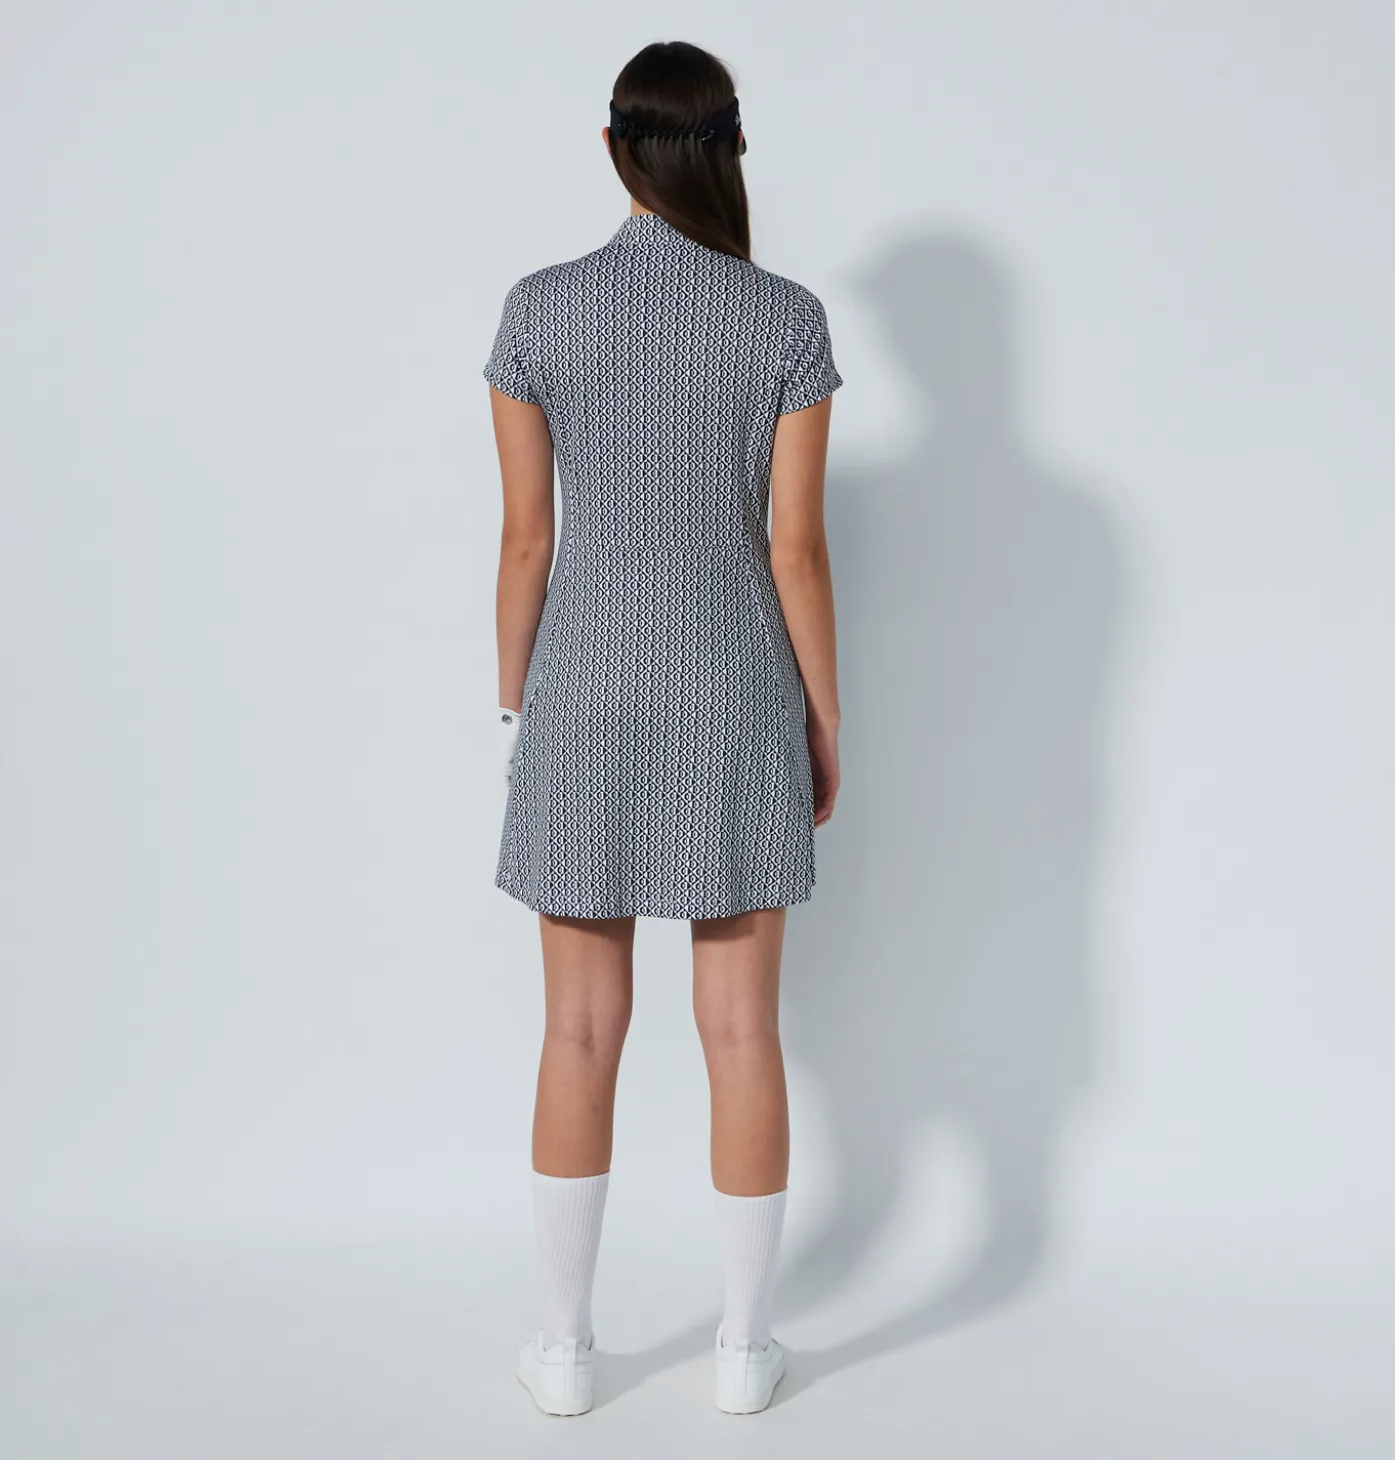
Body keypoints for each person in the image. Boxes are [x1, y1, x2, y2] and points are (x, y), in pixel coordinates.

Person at [485, 40, 843, 1417]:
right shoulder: (786, 321)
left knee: (579, 1033)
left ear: (613, 147)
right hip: (736, 693)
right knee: (741, 1033)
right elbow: (794, 550)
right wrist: (823, 719)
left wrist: (514, 705)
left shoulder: (538, 311)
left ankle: (567, 1352)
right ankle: (745, 1353)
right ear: (729, 149)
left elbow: (527, 542)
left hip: (581, 695)